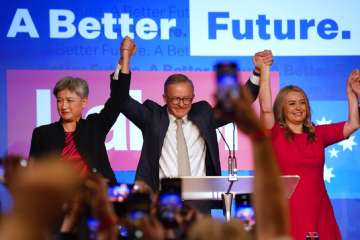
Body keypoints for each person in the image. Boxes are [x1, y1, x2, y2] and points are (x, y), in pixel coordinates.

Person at [115, 37, 271, 191]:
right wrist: (125, 58)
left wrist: (257, 72)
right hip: (162, 201)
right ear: (164, 98)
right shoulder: (152, 117)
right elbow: (121, 99)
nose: (182, 104)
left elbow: (238, 106)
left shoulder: (203, 114)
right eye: (176, 99)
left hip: (200, 201)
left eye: (187, 99)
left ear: (193, 97)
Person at [256, 50, 360, 239]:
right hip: (285, 212)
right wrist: (264, 70)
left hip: (319, 211)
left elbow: (353, 124)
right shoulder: (274, 134)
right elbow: (265, 108)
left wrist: (352, 94)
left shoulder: (318, 134)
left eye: (302, 103)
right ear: (282, 108)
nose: (298, 108)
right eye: (292, 103)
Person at [29, 37, 136, 183]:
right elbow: (33, 174)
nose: (64, 106)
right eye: (59, 100)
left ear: (84, 102)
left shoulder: (94, 127)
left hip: (94, 198)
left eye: (69, 101)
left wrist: (124, 58)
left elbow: (118, 97)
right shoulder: (42, 134)